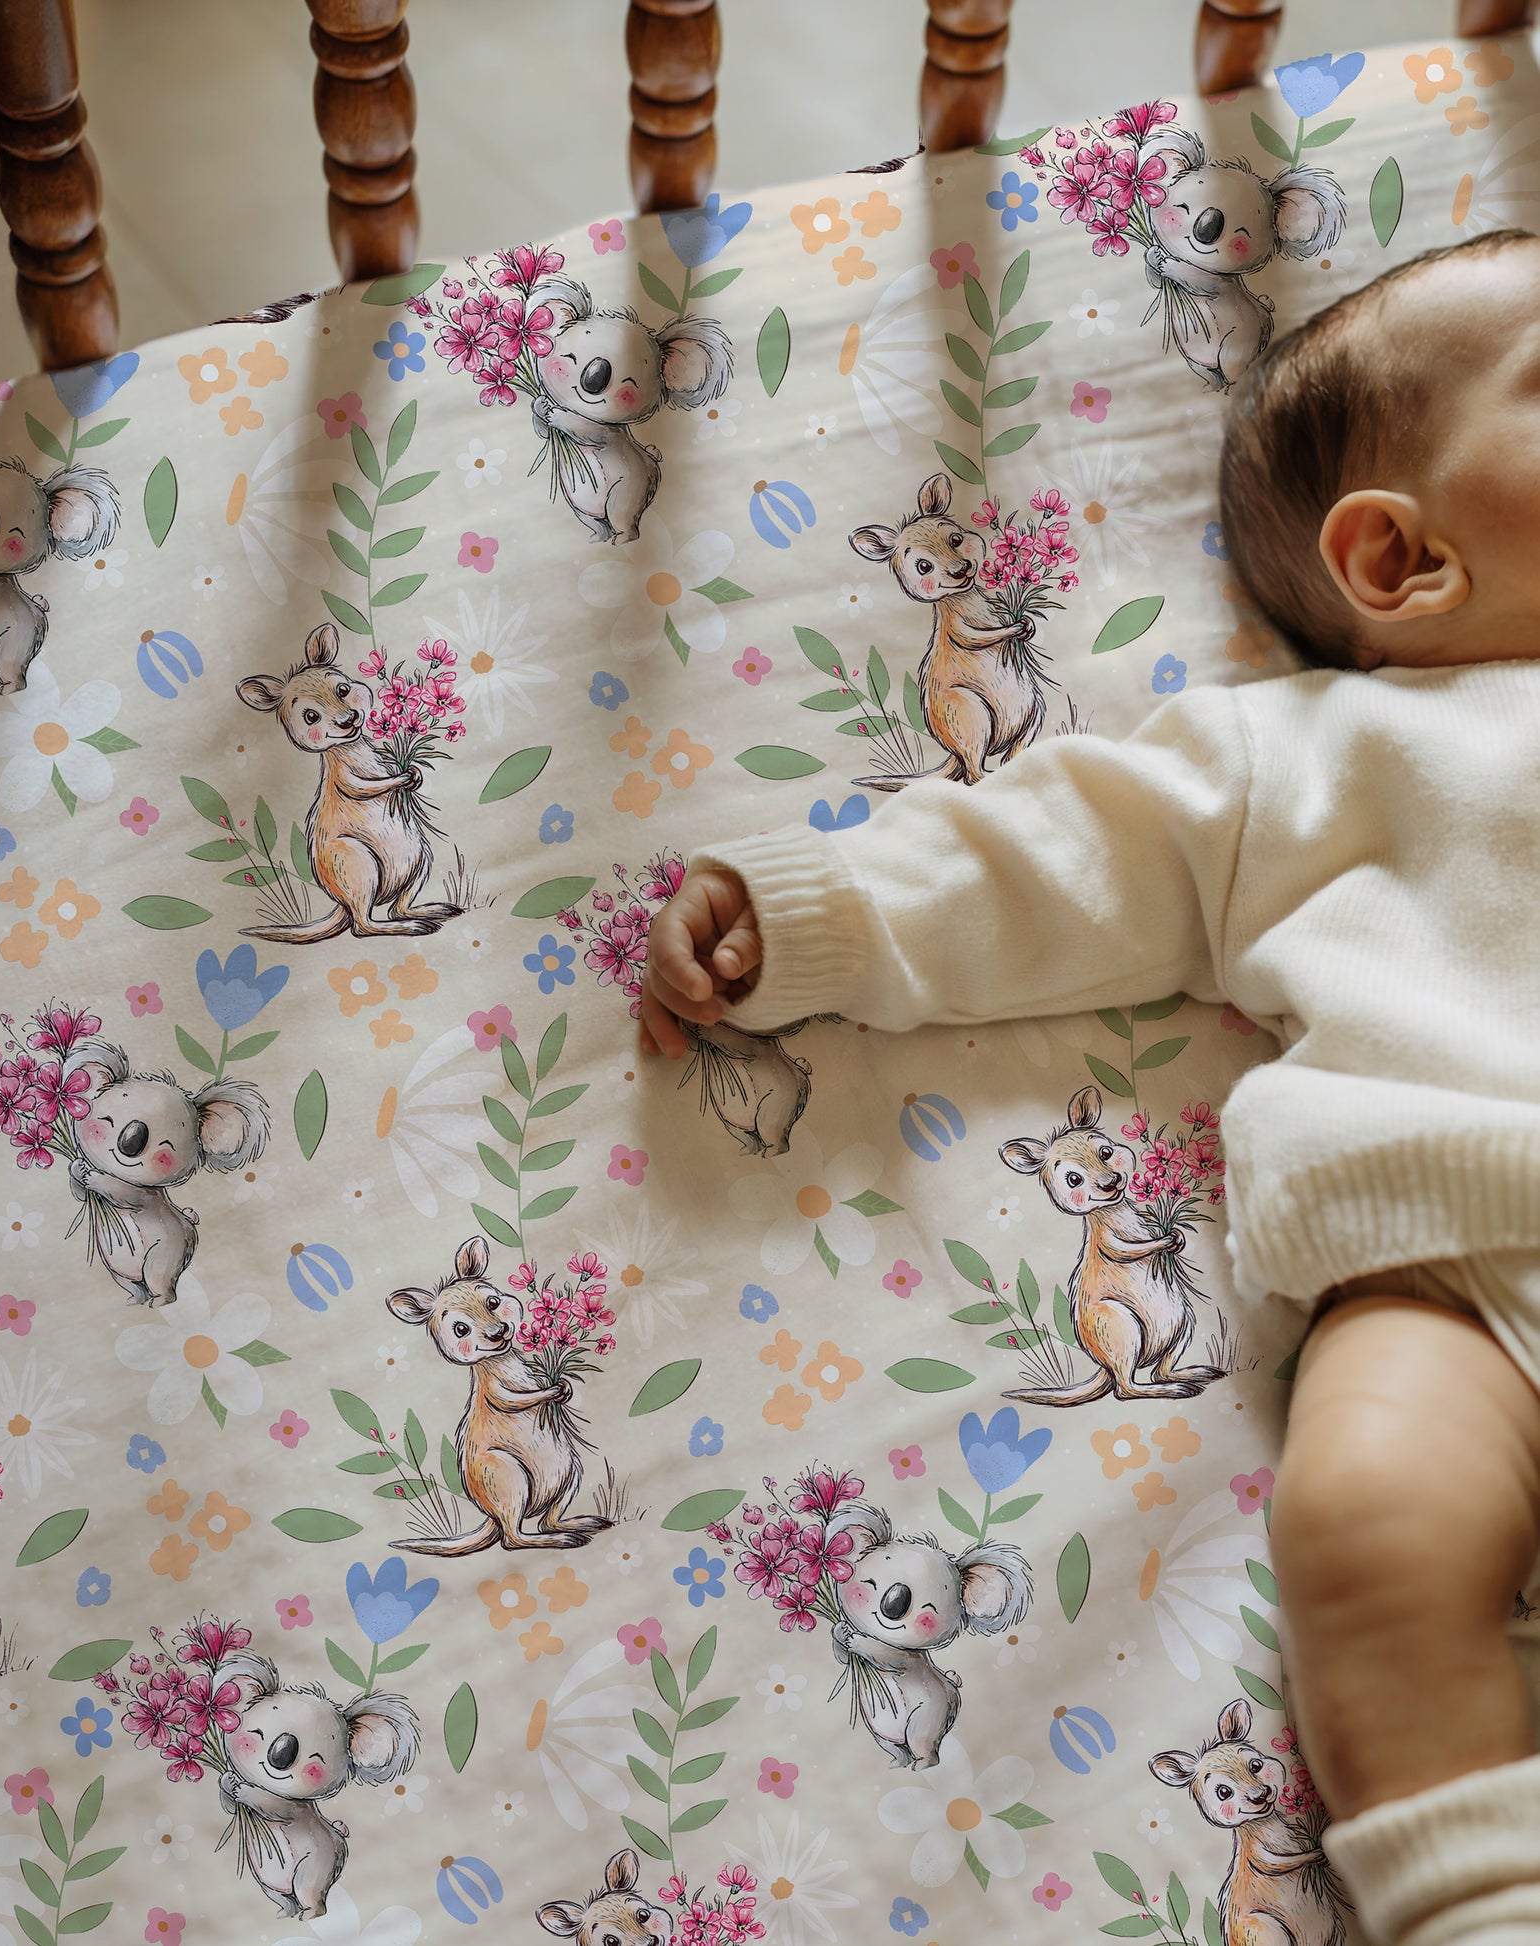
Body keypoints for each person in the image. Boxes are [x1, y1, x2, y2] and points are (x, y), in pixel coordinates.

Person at [640, 227, 1540, 1946]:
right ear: (1400, 559)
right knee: (1364, 1520)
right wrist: (816, 916)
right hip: (1450, 1256)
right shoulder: (1308, 764)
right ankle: (1477, 1903)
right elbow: (1059, 857)